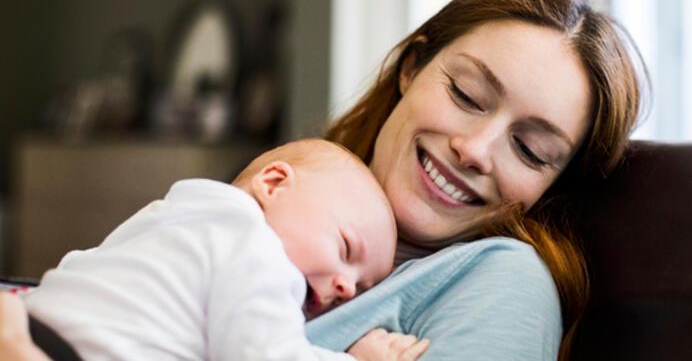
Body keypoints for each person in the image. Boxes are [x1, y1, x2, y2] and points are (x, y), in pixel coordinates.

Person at [1, 0, 645, 360]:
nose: (476, 149)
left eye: (532, 151)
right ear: (412, 67)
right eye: (468, 96)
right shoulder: (272, 209)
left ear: (552, 188)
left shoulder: (503, 281)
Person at [23, 139, 430, 361]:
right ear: (272, 184)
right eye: (345, 248)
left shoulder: (177, 214)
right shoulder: (254, 245)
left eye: (360, 288)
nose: (346, 287)